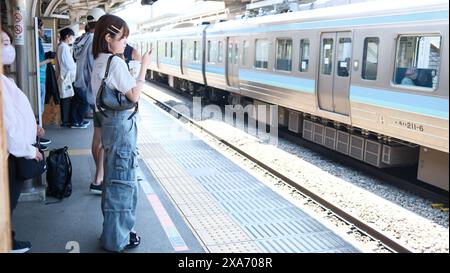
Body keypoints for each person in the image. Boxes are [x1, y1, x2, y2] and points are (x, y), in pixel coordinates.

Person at [91, 14, 151, 252]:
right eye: (122, 38)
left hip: (108, 124)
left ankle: (113, 231)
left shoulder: (98, 59)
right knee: (122, 182)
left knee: (112, 181)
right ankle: (117, 239)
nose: (125, 43)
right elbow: (134, 95)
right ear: (108, 38)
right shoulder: (115, 63)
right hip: (120, 127)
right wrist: (144, 66)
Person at [2, 28, 46, 253]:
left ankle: (8, 239)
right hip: (9, 154)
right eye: (2, 42)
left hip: (13, 151)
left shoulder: (3, 79)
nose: (7, 47)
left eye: (8, 41)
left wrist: (33, 127)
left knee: (8, 202)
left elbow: (16, 115)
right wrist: (29, 151)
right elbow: (6, 130)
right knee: (6, 202)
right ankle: (6, 242)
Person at [73, 7, 105, 193]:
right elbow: (98, 72)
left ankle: (99, 174)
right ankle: (99, 178)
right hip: (99, 95)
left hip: (88, 93)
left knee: (97, 136)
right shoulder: (95, 42)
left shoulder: (81, 40)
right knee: (106, 139)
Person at [37, 19, 53, 146]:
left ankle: (38, 136)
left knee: (39, 108)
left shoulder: (38, 42)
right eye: (42, 28)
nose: (43, 31)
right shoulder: (36, 42)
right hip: (38, 79)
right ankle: (37, 137)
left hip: (40, 78)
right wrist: (49, 60)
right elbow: (36, 63)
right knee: (38, 108)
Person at [57, 27, 77, 127]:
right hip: (67, 77)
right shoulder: (63, 47)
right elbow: (70, 64)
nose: (72, 38)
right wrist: (76, 66)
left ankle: (66, 120)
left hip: (65, 76)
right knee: (66, 98)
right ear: (67, 36)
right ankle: (66, 120)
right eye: (71, 36)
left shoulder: (62, 46)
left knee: (66, 97)